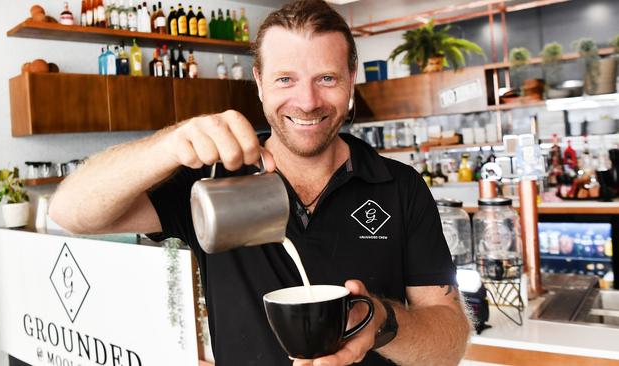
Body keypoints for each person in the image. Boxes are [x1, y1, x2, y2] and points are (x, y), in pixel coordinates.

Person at [49, 0, 471, 365]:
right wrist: (168, 145)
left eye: (326, 78)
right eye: (285, 79)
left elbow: (448, 344)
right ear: (259, 83)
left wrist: (382, 323)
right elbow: (70, 213)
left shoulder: (400, 186)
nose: (307, 102)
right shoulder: (211, 181)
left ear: (351, 79)